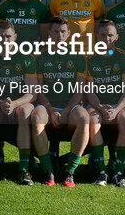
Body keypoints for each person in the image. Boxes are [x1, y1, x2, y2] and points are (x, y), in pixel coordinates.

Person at [0, 0, 49, 165]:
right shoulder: (4, 7)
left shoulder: (40, 8)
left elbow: (43, 38)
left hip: (28, 65)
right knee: (2, 103)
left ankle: (32, 154)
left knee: (28, 109)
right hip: (6, 63)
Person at [0, 21, 40, 185]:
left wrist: (14, 104)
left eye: (8, 37)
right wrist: (0, 102)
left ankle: (24, 168)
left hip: (20, 103)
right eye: (0, 37)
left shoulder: (26, 57)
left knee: (25, 113)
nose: (4, 41)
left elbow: (32, 92)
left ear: (15, 37)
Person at [29, 17, 90, 187]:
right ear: (49, 33)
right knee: (36, 118)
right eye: (56, 32)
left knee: (84, 118)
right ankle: (48, 171)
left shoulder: (78, 57)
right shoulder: (40, 56)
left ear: (69, 34)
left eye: (63, 31)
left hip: (70, 107)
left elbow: (79, 91)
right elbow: (38, 90)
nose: (59, 35)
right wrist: (51, 110)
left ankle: (70, 171)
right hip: (47, 105)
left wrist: (66, 110)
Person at [84, 20, 125, 187]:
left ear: (116, 37)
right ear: (97, 36)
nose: (107, 38)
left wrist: (116, 109)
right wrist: (100, 107)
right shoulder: (89, 59)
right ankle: (102, 172)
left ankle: (119, 173)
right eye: (103, 35)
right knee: (93, 120)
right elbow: (89, 93)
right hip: (97, 105)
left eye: (110, 35)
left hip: (118, 105)